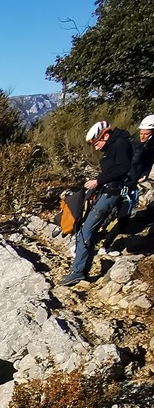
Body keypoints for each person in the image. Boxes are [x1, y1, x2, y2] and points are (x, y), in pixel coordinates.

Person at [58, 120, 135, 286]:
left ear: (105, 136)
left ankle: (78, 272)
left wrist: (98, 181)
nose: (96, 148)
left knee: (85, 231)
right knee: (88, 231)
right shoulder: (117, 145)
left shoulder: (120, 144)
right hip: (108, 192)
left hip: (111, 193)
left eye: (96, 143)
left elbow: (122, 168)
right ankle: (81, 270)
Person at [129, 114, 154, 190]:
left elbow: (149, 164)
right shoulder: (132, 144)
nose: (142, 137)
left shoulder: (151, 148)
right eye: (141, 133)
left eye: (146, 134)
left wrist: (144, 175)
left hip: (138, 182)